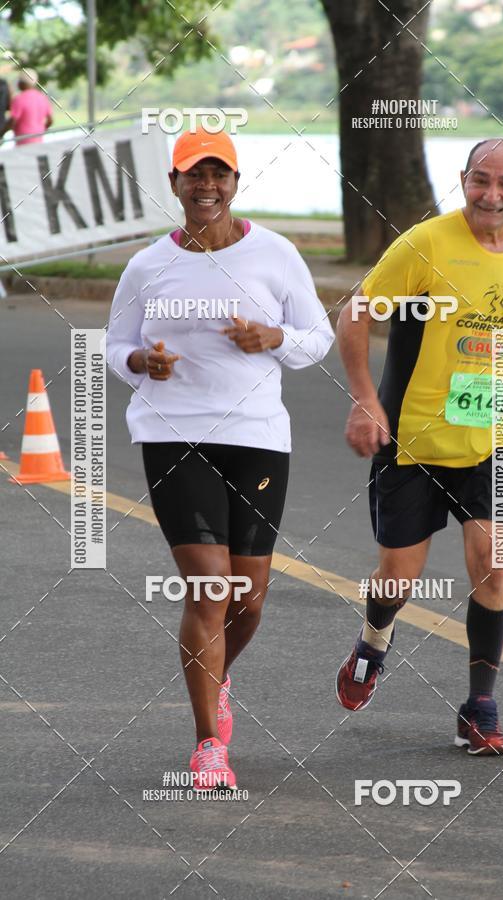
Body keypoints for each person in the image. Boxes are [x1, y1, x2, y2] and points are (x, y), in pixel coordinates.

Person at [335, 139, 503, 755]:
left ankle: (480, 707)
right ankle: (374, 640)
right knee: (399, 577)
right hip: (413, 442)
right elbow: (356, 314)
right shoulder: (425, 244)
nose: (492, 195)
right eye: (482, 180)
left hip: (495, 442)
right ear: (463, 180)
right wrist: (365, 398)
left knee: (495, 566)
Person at [106, 128, 334, 789]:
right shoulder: (147, 265)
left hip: (257, 436)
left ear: (235, 182)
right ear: (174, 184)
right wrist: (140, 361)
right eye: (194, 174)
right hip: (172, 432)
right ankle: (209, 744)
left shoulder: (276, 254)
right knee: (209, 585)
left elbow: (317, 337)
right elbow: (113, 343)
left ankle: (216, 676)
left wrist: (275, 337)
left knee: (249, 598)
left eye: (219, 174)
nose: (207, 186)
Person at [0, 68, 52, 145]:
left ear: (22, 83)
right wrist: (41, 129)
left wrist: (1, 133)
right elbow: (50, 120)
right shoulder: (42, 97)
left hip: (23, 141)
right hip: (38, 140)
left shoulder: (19, 99)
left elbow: (12, 121)